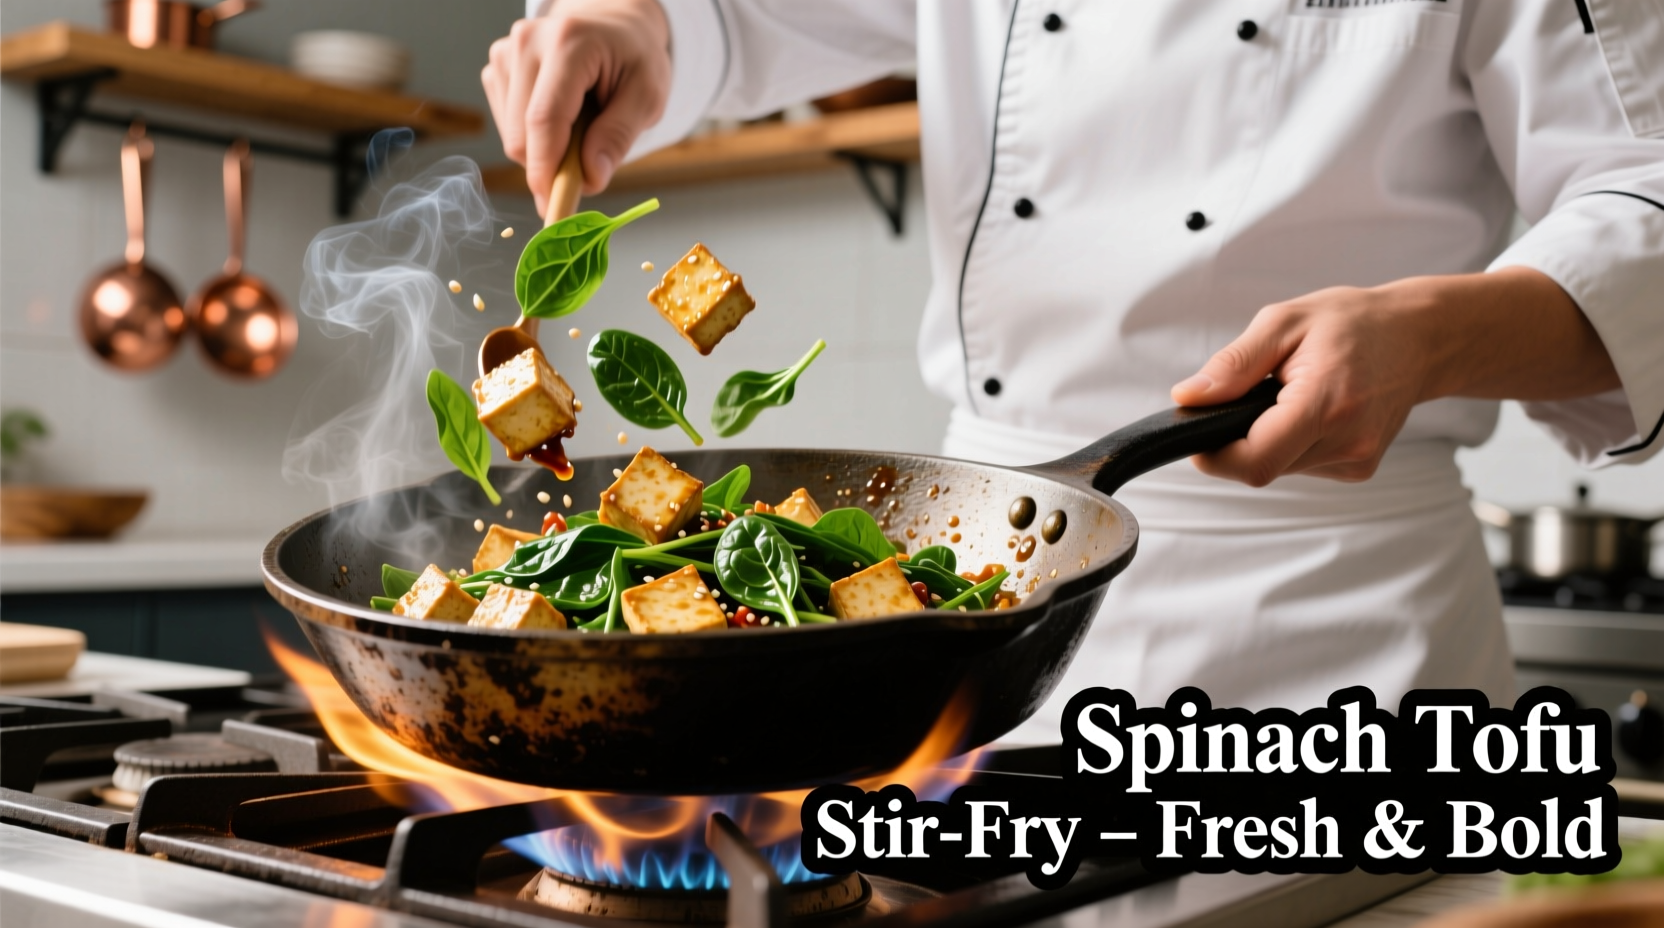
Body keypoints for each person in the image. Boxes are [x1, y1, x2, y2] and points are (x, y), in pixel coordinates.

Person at [483, 1, 1663, 737]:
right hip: (981, 633)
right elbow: (728, 17)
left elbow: (1646, 196)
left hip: (1334, 653)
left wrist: (1430, 332)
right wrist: (636, 24)